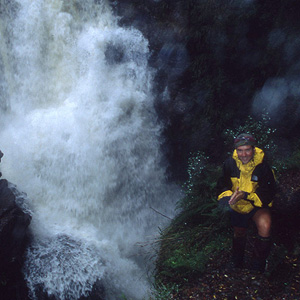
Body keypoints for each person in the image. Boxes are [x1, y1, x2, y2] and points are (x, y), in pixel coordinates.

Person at [217, 133, 276, 272]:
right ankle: (237, 262)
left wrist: (246, 195)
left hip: (257, 204)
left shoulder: (263, 166)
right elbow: (221, 185)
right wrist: (228, 198)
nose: (244, 154)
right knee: (239, 232)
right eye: (240, 150)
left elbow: (269, 192)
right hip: (238, 204)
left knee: (265, 225)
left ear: (253, 149)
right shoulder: (230, 164)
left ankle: (258, 264)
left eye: (247, 150)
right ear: (236, 151)